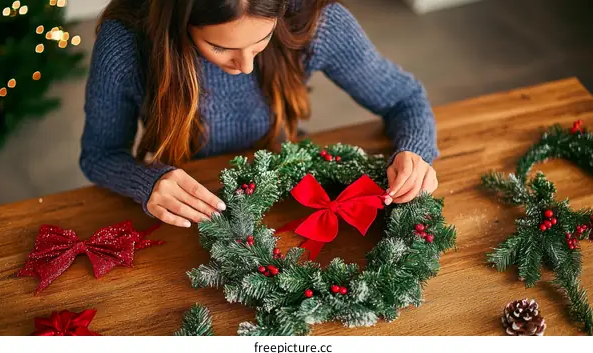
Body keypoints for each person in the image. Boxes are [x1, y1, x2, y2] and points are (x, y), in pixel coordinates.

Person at [81, 0, 439, 228]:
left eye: (262, 40)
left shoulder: (318, 22)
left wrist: (416, 151)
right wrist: (147, 182)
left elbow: (404, 98)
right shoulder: (126, 42)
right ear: (179, 21)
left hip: (285, 193)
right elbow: (100, 155)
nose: (246, 66)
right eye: (221, 47)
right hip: (182, 207)